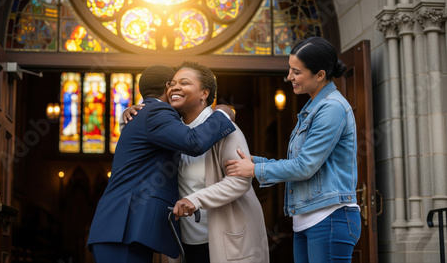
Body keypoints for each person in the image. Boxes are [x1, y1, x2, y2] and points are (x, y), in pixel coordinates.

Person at [225, 36, 361, 262]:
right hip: (307, 219)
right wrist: (253, 161)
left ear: (320, 75)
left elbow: (304, 167)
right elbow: (300, 163)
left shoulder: (331, 109)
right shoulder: (313, 106)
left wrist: (254, 170)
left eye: (296, 72)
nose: (289, 77)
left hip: (330, 217)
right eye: (290, 69)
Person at [87, 65, 236, 263]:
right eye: (175, 84)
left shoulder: (145, 112)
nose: (177, 89)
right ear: (168, 87)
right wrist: (224, 112)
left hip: (123, 229)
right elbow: (194, 142)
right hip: (123, 230)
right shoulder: (157, 111)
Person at [168, 61, 269, 263]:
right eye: (172, 83)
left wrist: (194, 199)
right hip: (187, 243)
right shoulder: (173, 131)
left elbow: (240, 181)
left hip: (225, 240)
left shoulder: (225, 128)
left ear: (204, 94)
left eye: (184, 82)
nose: (174, 87)